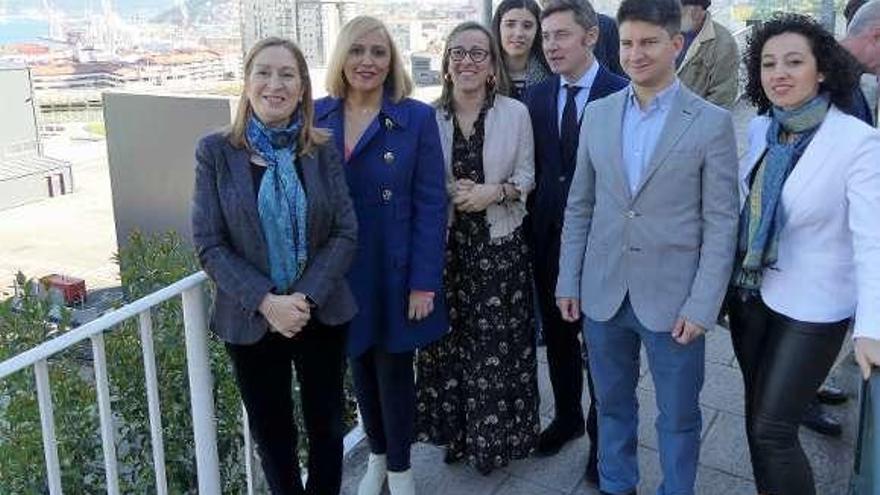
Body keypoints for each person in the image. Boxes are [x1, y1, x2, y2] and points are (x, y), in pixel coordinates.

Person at [556, 0, 740, 493]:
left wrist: (703, 306)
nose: (636, 54)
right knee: (612, 407)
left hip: (676, 302)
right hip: (602, 293)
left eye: (650, 43)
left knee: (678, 416)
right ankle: (618, 486)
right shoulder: (598, 115)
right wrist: (567, 280)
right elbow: (581, 206)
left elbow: (722, 224)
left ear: (676, 44)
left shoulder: (710, 123)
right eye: (629, 43)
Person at [191, 37, 357, 495]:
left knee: (326, 430)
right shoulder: (216, 152)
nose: (274, 84)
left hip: (319, 312)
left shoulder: (321, 150)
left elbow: (345, 231)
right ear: (246, 83)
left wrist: (301, 299)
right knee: (273, 439)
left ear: (303, 88)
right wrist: (267, 302)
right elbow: (209, 242)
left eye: (287, 74)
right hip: (250, 318)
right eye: (263, 72)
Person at [731, 13, 880, 495]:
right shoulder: (763, 130)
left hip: (814, 310)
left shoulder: (857, 143)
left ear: (821, 70)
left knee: (773, 430)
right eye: (769, 63)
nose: (779, 73)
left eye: (794, 62)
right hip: (753, 297)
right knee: (757, 418)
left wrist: (872, 328)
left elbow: (873, 239)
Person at [315, 16, 448, 495]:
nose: (367, 62)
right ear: (341, 58)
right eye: (357, 51)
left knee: (394, 370)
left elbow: (433, 203)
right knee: (358, 367)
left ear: (391, 61)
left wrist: (424, 281)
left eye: (378, 52)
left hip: (396, 268)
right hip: (338, 270)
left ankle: (401, 469)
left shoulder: (416, 117)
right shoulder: (316, 115)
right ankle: (375, 457)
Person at [414, 21, 539, 475]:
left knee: (496, 348)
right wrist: (451, 191)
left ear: (492, 66)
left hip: (499, 248)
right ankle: (459, 436)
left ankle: (495, 441)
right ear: (447, 64)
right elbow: (421, 183)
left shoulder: (515, 113)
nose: (467, 61)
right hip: (445, 252)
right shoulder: (429, 117)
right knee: (449, 347)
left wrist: (495, 192)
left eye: (477, 53)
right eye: (457, 53)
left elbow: (528, 177)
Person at [524, 0, 628, 484]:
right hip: (548, 240)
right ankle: (567, 417)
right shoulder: (538, 97)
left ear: (590, 37)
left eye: (561, 35)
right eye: (546, 37)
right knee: (560, 339)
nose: (551, 45)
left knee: (601, 348)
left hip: (603, 243)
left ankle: (602, 440)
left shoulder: (623, 93)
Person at [675, 0, 739, 109]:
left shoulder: (723, 44)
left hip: (694, 121)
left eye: (683, 7)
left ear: (701, 8)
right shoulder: (663, 31)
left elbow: (721, 101)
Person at [492, 0, 551, 101]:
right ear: (498, 27)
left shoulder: (552, 75)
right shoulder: (483, 74)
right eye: (510, 25)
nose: (519, 33)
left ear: (538, 31)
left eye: (527, 26)